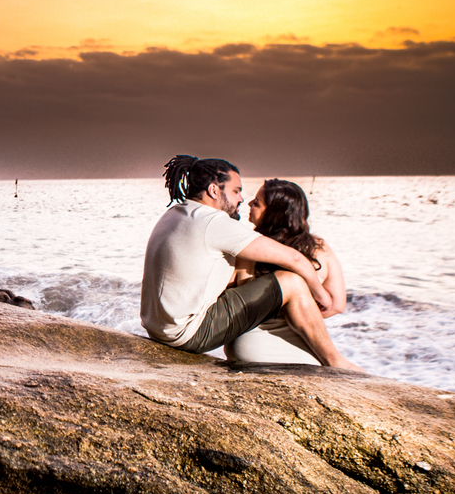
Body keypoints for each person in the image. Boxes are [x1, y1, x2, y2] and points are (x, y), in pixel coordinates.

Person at [139, 155, 361, 372]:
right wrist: (321, 296)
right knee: (291, 281)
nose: (242, 200)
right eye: (236, 190)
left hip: (158, 329)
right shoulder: (213, 222)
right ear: (214, 190)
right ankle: (335, 361)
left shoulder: (176, 214)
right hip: (187, 334)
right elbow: (295, 259)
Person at [223, 179, 344, 365]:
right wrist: (299, 316)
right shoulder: (319, 248)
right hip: (304, 350)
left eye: (257, 203)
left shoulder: (249, 248)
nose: (249, 203)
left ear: (274, 213)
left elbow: (235, 299)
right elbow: (336, 305)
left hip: (252, 347)